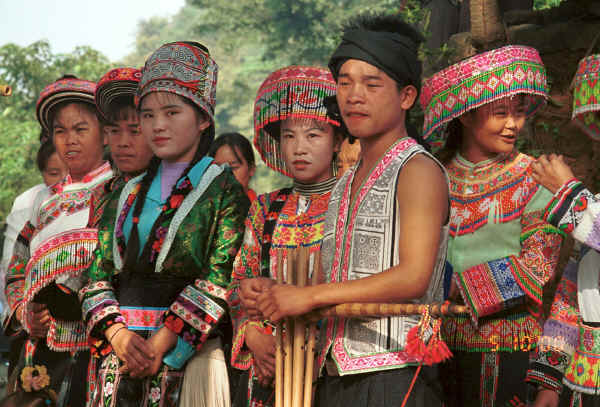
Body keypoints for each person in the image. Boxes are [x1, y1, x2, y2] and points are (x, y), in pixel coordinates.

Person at [254, 13, 450, 407]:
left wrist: (309, 298)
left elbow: (413, 277)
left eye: (371, 83)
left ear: (407, 97)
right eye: (344, 83)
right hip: (333, 373)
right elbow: (329, 284)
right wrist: (281, 293)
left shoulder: (417, 169)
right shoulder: (345, 181)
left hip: (396, 372)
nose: (354, 95)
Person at [79, 41, 250, 407]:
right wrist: (119, 335)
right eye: (148, 115)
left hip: (189, 361)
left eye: (171, 112)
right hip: (118, 359)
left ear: (203, 118)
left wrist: (162, 342)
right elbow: (95, 275)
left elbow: (220, 277)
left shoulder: (223, 190)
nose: (157, 125)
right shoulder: (126, 193)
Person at [420, 45, 564, 406]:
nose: (513, 124)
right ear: (466, 117)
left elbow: (537, 266)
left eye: (518, 113)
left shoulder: (535, 179)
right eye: (500, 113)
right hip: (432, 342)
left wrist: (454, 285)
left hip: (506, 347)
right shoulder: (432, 176)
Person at [228, 65, 342, 407]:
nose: (299, 148)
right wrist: (251, 334)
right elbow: (237, 283)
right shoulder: (265, 207)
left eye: (313, 134)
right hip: (263, 370)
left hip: (328, 368)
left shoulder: (350, 203)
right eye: (289, 136)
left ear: (337, 141)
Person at [3, 75, 113, 406]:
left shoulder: (118, 192)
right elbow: (16, 269)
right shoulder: (45, 204)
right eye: (61, 131)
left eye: (81, 129)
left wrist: (70, 302)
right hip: (37, 358)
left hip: (93, 357)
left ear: (104, 133)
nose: (69, 140)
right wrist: (26, 313)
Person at [527, 53, 600, 407]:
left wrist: (567, 191)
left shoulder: (584, 204)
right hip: (582, 383)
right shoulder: (595, 202)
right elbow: (570, 297)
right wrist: (549, 382)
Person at [209, 132, 257, 201]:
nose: (225, 176)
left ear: (251, 169)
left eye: (233, 168)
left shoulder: (263, 210)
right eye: (218, 168)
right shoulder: (198, 209)